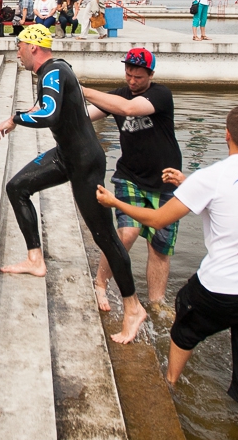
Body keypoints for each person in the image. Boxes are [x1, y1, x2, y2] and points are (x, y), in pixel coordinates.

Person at [97, 105, 238, 438]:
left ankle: (171, 382)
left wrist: (116, 204)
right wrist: (189, 184)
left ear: (226, 134)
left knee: (184, 325)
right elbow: (235, 199)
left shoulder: (212, 176)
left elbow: (158, 220)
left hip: (221, 288)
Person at [0, 25, 147, 344]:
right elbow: (50, 107)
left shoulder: (51, 72)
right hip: (68, 155)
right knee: (17, 187)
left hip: (84, 163)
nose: (18, 52)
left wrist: (16, 118)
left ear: (34, 48)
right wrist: (18, 118)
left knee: (104, 235)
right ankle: (35, 259)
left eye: (20, 47)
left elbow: (49, 114)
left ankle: (134, 308)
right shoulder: (57, 70)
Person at [82, 47, 183, 309]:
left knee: (159, 249)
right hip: (130, 176)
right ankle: (100, 284)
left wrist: (83, 89)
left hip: (166, 182)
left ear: (150, 74)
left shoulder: (161, 95)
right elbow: (86, 117)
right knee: (127, 233)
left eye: (138, 76)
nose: (131, 81)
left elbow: (128, 109)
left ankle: (156, 303)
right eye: (128, 74)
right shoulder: (119, 94)